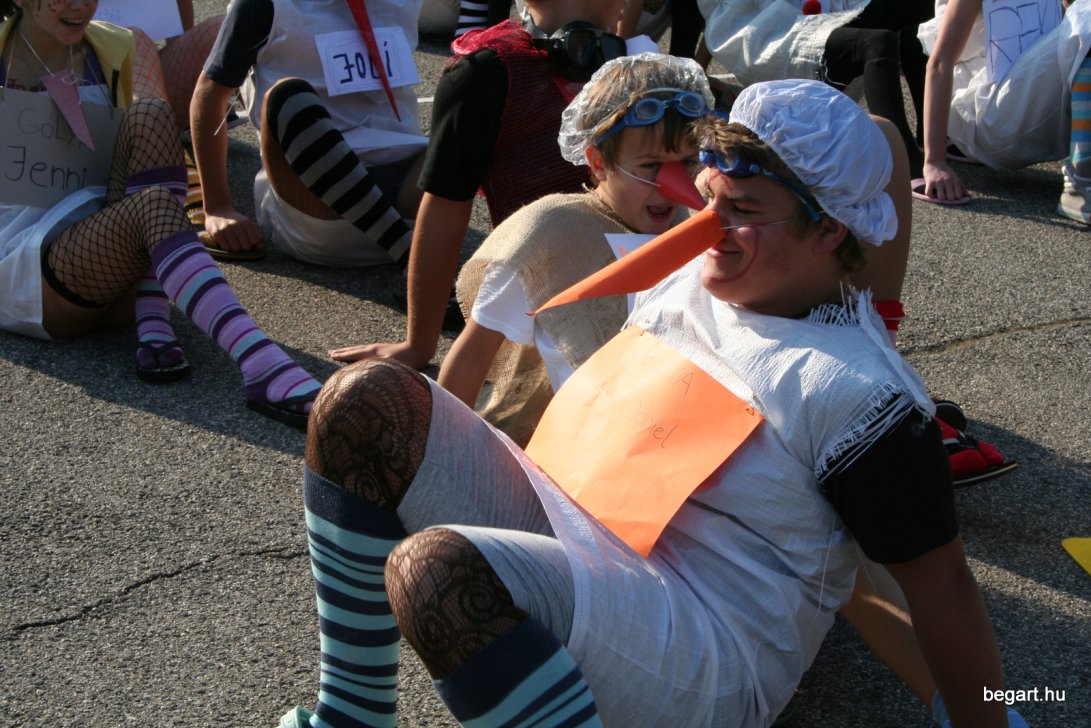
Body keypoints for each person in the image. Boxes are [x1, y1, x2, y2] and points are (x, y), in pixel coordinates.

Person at [281, 79, 1031, 728]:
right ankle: (349, 717)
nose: (707, 229)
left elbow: (939, 588)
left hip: (703, 647)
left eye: (741, 210)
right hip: (587, 533)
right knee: (363, 401)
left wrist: (991, 713)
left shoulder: (860, 396)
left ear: (829, 227)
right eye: (707, 198)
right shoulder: (697, 277)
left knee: (440, 572)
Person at [0, 0, 320, 428]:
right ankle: (262, 364)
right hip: (32, 267)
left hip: (116, 247)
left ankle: (152, 311)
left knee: (151, 113)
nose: (79, 6)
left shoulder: (118, 45)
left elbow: (157, 151)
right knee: (151, 203)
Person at [327, 0, 628, 368]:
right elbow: (444, 210)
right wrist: (419, 344)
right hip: (550, 314)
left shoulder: (633, 67)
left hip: (642, 290)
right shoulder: (487, 72)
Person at [438, 52, 707, 445]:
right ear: (597, 162)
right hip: (574, 447)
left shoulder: (696, 226)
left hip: (673, 438)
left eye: (688, 162)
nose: (672, 183)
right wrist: (445, 448)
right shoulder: (551, 233)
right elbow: (474, 354)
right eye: (650, 166)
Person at [189, 0, 427, 264]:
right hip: (318, 212)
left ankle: (414, 251)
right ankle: (412, 255)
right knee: (287, 97)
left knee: (463, 96)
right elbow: (209, 94)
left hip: (412, 204)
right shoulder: (266, 5)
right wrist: (218, 208)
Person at [697, 0, 933, 178]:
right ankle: (903, 159)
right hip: (768, 31)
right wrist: (698, 74)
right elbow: (713, 17)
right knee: (876, 42)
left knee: (919, 9)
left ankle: (929, 137)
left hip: (814, 13)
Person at [918, 0, 1091, 219]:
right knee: (1088, 18)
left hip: (1031, 109)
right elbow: (940, 63)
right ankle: (1080, 184)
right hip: (991, 118)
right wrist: (934, 162)